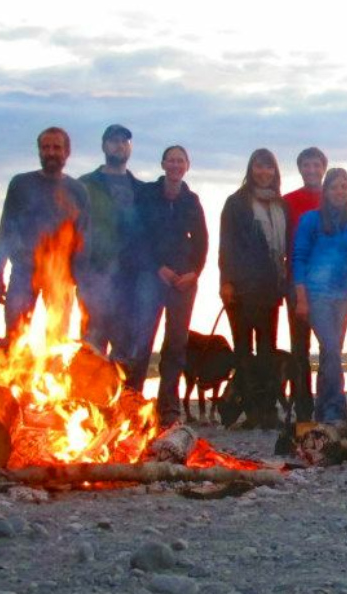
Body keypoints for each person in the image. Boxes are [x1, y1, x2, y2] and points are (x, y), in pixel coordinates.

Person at [0, 128, 92, 342]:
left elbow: (82, 237)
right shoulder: (21, 184)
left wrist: (81, 278)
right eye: (46, 148)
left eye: (56, 147)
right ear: (39, 151)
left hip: (61, 274)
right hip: (24, 271)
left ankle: (52, 374)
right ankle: (14, 375)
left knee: (57, 338)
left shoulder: (77, 190)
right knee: (15, 334)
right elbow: (6, 228)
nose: (51, 152)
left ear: (67, 152)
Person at [136, 148, 209, 421]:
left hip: (184, 282)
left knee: (176, 344)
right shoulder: (148, 195)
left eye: (181, 161)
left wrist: (194, 272)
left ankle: (168, 406)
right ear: (163, 163)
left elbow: (202, 241)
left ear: (187, 166)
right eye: (171, 160)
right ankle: (132, 401)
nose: (176, 165)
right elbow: (139, 236)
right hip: (152, 279)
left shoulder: (192, 201)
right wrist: (157, 267)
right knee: (143, 341)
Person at [219, 150, 289, 429]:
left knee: (267, 350)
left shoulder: (280, 205)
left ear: (275, 171)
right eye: (259, 167)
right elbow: (226, 245)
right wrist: (226, 281)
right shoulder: (236, 203)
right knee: (244, 352)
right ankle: (251, 409)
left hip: (270, 288)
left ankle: (268, 406)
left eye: (269, 167)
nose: (264, 172)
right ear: (251, 169)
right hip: (240, 289)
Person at [293, 170, 347, 425]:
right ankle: (336, 410)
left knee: (330, 352)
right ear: (326, 191)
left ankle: (323, 410)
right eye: (334, 187)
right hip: (316, 295)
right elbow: (299, 258)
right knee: (333, 350)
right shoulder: (310, 220)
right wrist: (301, 298)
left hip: (344, 295)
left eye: (344, 187)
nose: (340, 192)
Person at [78, 125, 150, 370]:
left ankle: (120, 406)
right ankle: (87, 405)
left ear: (129, 148)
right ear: (103, 146)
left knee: (124, 352)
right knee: (91, 348)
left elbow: (147, 234)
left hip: (129, 283)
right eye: (113, 141)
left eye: (124, 141)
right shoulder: (85, 185)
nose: (119, 145)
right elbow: (70, 228)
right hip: (93, 279)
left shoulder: (141, 190)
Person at [282, 148, 329, 425]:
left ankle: (327, 405)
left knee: (328, 346)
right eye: (306, 165)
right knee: (299, 348)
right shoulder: (288, 201)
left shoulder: (334, 197)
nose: (311, 170)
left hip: (327, 287)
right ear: (300, 168)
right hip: (296, 282)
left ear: (324, 167)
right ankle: (303, 408)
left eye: (316, 165)